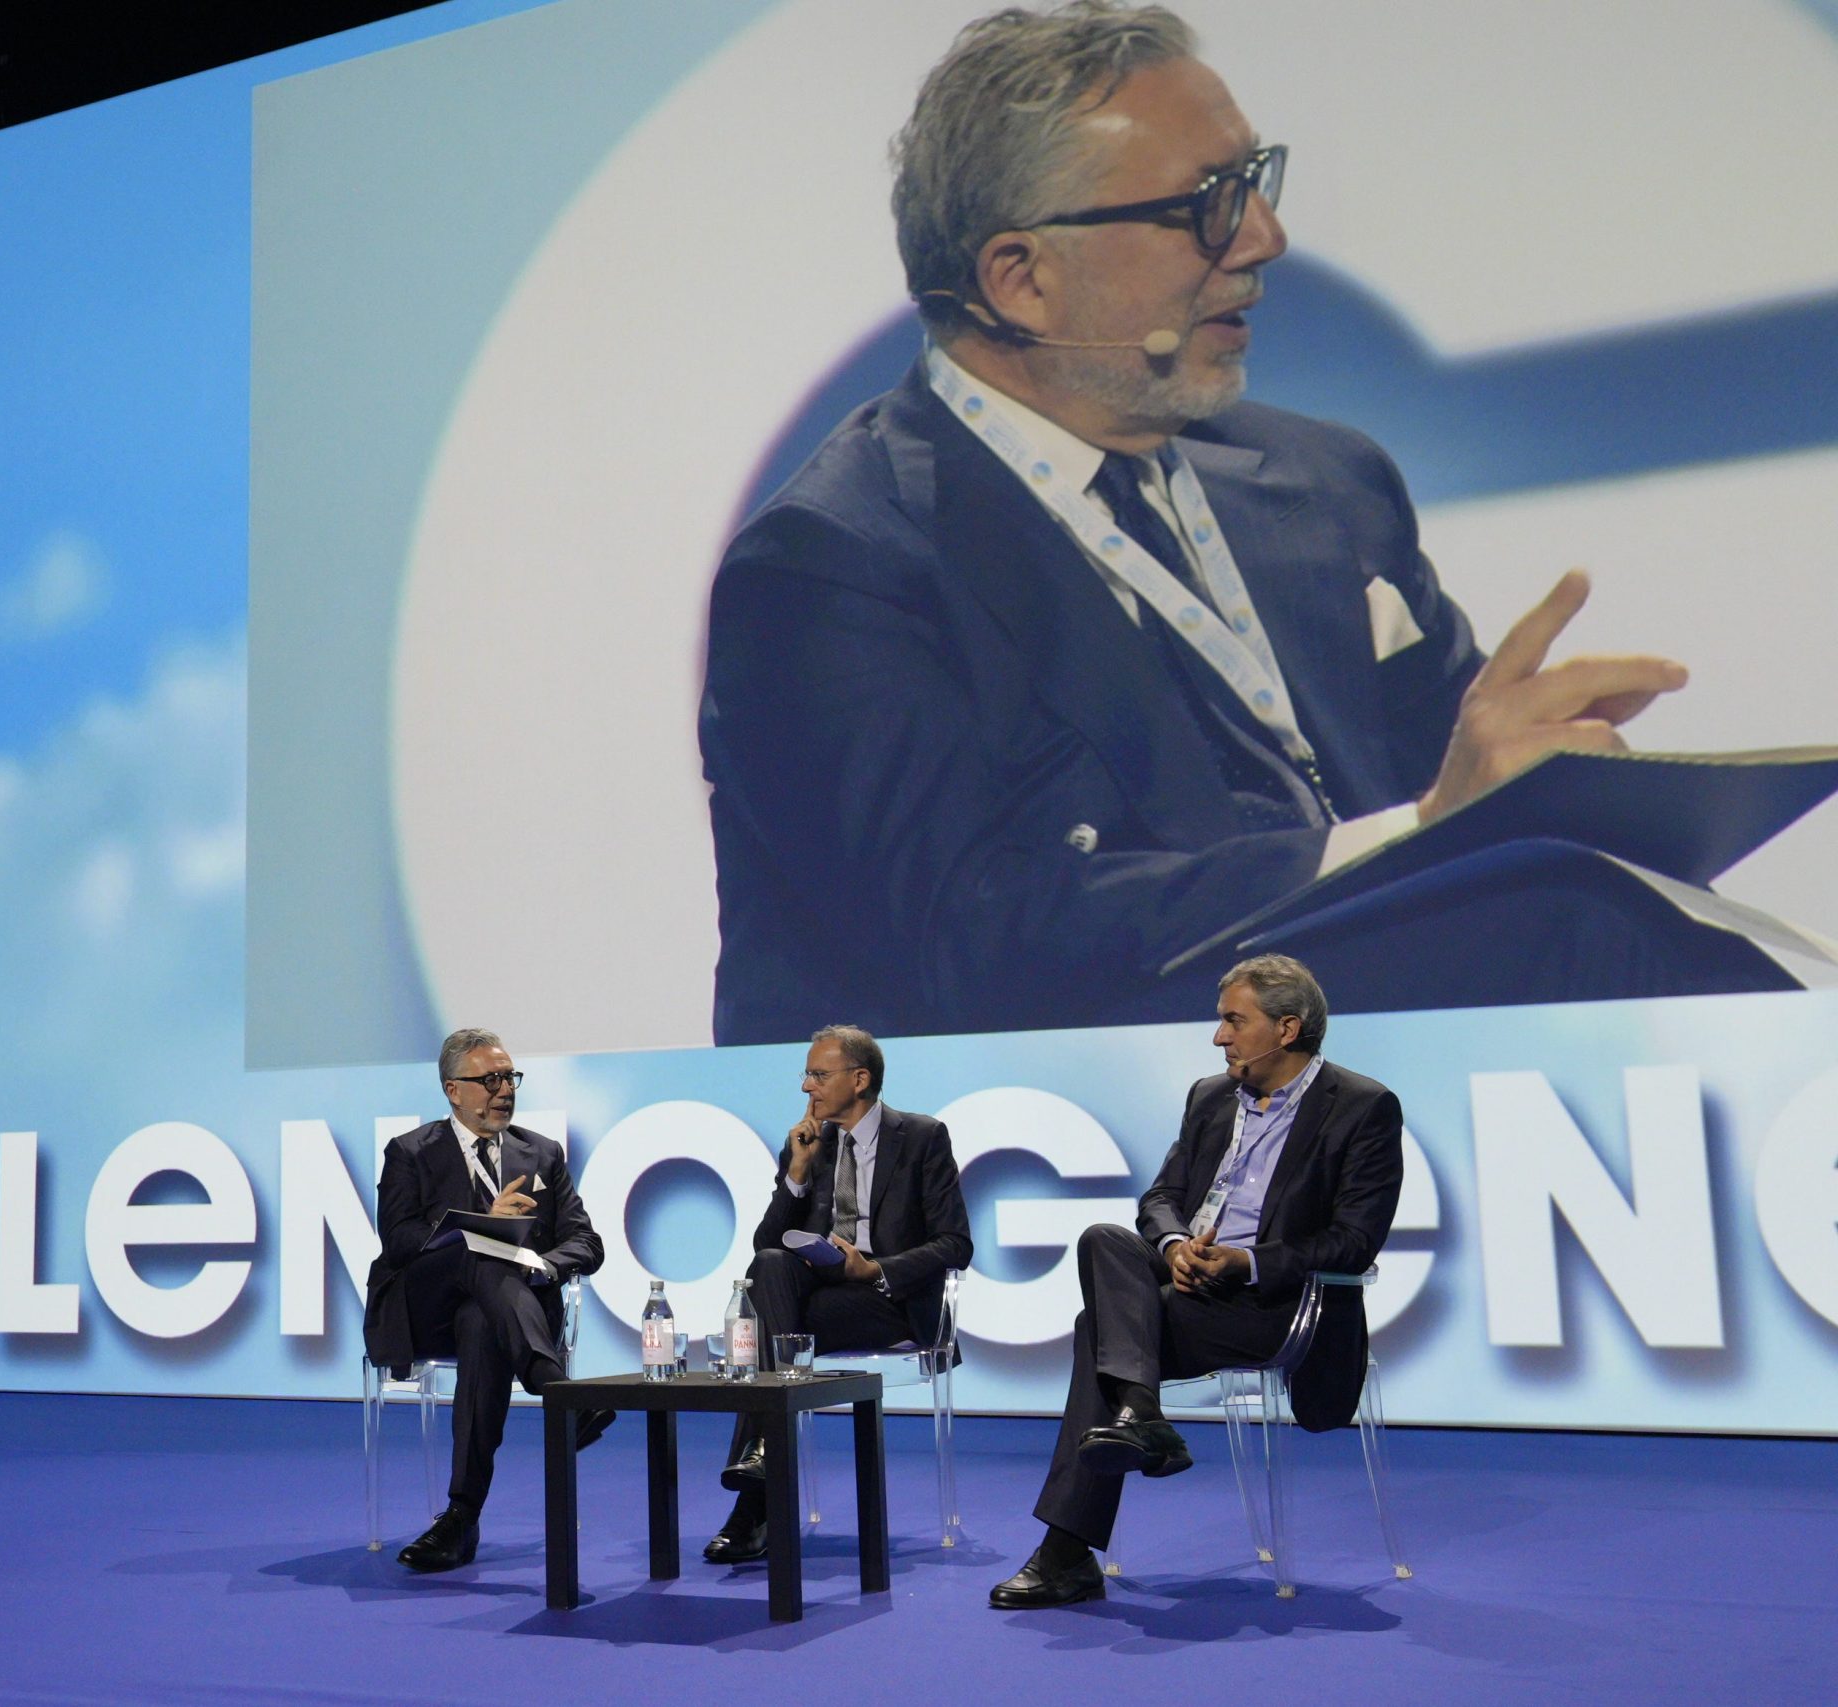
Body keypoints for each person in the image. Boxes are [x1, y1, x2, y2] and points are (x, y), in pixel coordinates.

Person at [697, 2, 1765, 1048]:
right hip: (1038, 1113)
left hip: (1365, 1049)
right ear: (1022, 280)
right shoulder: (834, 566)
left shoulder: (1325, 483)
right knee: (1577, 936)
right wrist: (1423, 828)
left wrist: (1548, 781)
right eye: (1206, 204)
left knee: (1641, 909)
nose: (1264, 237)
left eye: (1254, 179)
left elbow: (1468, 798)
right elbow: (969, 937)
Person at [990, 953, 1399, 1607]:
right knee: (1103, 1239)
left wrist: (1247, 1261)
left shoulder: (1361, 1106)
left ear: (1287, 1028)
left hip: (1276, 1302)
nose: (1218, 1037)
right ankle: (1141, 1417)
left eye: (1234, 1021)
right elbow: (1160, 1198)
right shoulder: (1211, 1096)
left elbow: (1354, 1240)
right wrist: (1176, 1245)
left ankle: (1071, 1544)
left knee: (1098, 1328)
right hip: (1190, 1281)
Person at [702, 1026, 974, 1564]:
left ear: (860, 1079)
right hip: (815, 1301)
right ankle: (765, 1457)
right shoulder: (809, 1144)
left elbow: (955, 1244)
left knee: (770, 1334)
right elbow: (766, 1246)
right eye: (807, 1075)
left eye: (818, 1075)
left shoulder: (922, 1137)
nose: (807, 1087)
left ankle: (756, 1495)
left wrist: (874, 1268)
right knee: (771, 1269)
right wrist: (796, 1176)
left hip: (889, 1301)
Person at [364, 1028, 613, 1571]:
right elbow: (398, 1240)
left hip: (501, 1315)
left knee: (481, 1320)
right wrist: (478, 1225)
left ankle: (460, 1518)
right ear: (453, 1090)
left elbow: (586, 1242)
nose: (504, 1090)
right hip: (426, 1310)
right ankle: (559, 1392)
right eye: (490, 1080)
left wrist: (543, 1266)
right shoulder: (411, 1152)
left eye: (509, 1078)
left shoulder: (540, 1153)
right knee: (478, 1251)